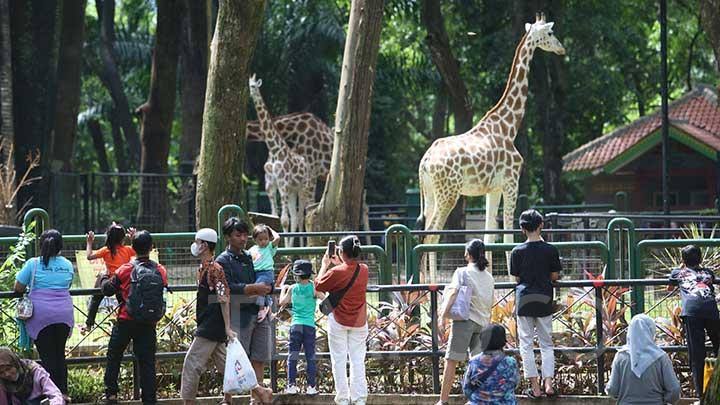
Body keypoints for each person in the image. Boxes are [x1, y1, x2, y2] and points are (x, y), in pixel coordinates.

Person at [101, 231, 168, 405]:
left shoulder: (125, 269)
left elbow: (108, 289)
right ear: (151, 247)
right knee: (147, 362)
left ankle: (111, 394)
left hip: (126, 320)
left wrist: (103, 278)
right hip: (148, 322)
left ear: (133, 248)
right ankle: (149, 399)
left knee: (114, 354)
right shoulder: (160, 270)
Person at [216, 217, 273, 405]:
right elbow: (228, 287)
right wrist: (253, 289)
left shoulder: (250, 256)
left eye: (245, 235)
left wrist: (264, 294)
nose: (243, 239)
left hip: (257, 310)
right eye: (238, 235)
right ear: (228, 237)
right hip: (238, 314)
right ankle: (227, 399)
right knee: (236, 356)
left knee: (259, 356)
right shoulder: (222, 260)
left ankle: (255, 399)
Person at [14, 230, 74, 399]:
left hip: (41, 316)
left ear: (40, 245)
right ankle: (63, 393)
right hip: (64, 313)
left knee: (47, 357)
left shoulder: (32, 264)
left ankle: (51, 395)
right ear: (60, 246)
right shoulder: (68, 265)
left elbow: (18, 287)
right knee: (59, 354)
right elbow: (67, 284)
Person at [181, 228, 238, 405]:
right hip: (210, 322)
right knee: (224, 364)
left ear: (204, 245)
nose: (195, 245)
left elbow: (224, 297)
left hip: (211, 326)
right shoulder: (203, 268)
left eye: (197, 242)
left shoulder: (215, 269)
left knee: (191, 364)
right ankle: (257, 391)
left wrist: (227, 327)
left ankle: (188, 402)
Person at [510, 209, 561, 399]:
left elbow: (516, 278)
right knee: (547, 343)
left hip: (524, 300)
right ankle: (548, 382)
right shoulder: (550, 250)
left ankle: (535, 386)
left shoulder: (517, 251)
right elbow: (555, 275)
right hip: (544, 298)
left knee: (526, 344)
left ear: (522, 228)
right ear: (541, 225)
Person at [437, 239, 494, 405]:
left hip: (465, 321)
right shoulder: (489, 277)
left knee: (451, 360)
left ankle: (443, 400)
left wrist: (443, 315)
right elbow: (490, 300)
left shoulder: (462, 272)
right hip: (482, 322)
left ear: (468, 255)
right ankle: (478, 399)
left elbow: (453, 293)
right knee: (478, 363)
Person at [316, 235, 369, 405]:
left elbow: (318, 285)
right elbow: (349, 272)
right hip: (359, 322)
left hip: (338, 321)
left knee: (339, 360)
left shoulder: (335, 272)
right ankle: (359, 399)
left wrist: (325, 264)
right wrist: (340, 262)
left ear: (341, 252)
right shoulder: (365, 270)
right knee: (357, 360)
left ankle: (343, 399)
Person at [668, 245, 720, 399]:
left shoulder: (678, 272)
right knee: (718, 346)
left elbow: (669, 287)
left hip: (691, 312)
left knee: (697, 354)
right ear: (701, 258)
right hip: (711, 310)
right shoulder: (708, 272)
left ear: (683, 260)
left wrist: (680, 267)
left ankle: (701, 395)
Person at [606, 314, 680, 404]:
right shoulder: (660, 357)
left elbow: (612, 390)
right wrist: (664, 400)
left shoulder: (620, 357)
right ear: (651, 331)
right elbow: (674, 390)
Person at [278, 260, 325, 396]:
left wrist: (283, 289)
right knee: (310, 356)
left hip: (296, 325)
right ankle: (311, 387)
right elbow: (324, 299)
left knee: (292, 356)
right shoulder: (314, 288)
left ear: (296, 275)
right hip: (309, 326)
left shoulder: (293, 288)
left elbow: (282, 302)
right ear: (310, 275)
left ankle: (291, 385)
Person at [81, 222, 137, 334]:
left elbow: (89, 256)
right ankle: (125, 323)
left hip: (111, 284)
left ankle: (88, 323)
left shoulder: (106, 250)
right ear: (123, 238)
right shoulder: (127, 250)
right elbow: (138, 249)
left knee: (96, 295)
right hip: (123, 284)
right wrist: (133, 238)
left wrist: (89, 242)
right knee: (123, 303)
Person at [463, 324, 519, 404]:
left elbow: (466, 389)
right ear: (503, 341)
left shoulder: (474, 361)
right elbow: (515, 384)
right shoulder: (510, 362)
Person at [0, 347, 65, 405]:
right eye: (1, 372)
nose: (7, 374)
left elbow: (55, 394)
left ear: (15, 363)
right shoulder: (3, 383)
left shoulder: (35, 371)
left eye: (8, 369)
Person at [248, 224, 281, 322]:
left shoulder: (269, 247)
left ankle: (261, 309)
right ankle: (269, 312)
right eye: (260, 239)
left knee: (260, 289)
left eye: (266, 239)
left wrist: (269, 228)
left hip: (266, 273)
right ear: (255, 240)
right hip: (256, 273)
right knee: (264, 293)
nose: (264, 241)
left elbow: (278, 238)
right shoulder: (252, 249)